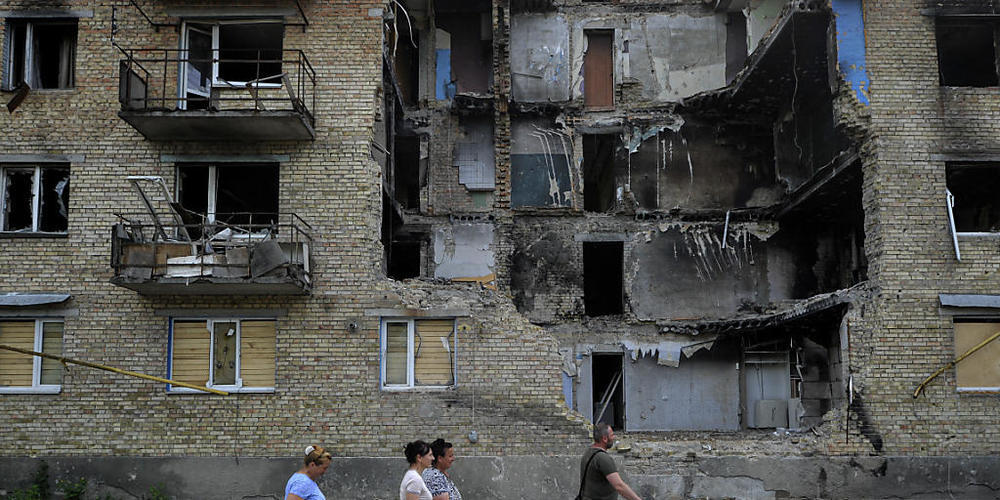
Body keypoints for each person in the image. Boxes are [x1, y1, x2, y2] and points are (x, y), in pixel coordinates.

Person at [578, 424, 641, 500]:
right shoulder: (602, 458)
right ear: (604, 439)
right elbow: (619, 486)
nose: (614, 437)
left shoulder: (588, 453)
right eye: (612, 435)